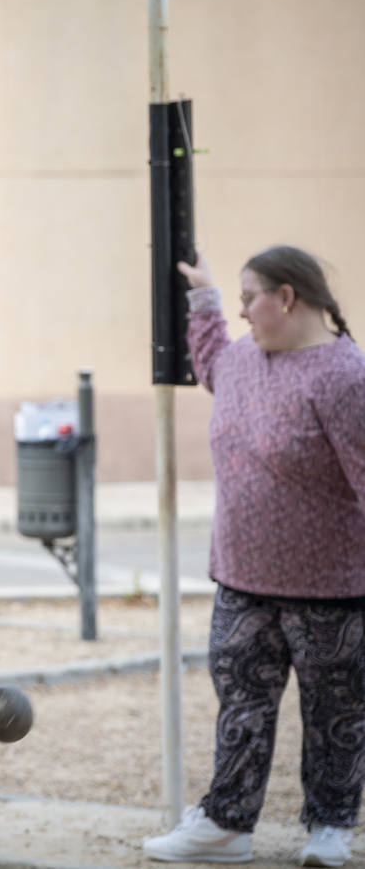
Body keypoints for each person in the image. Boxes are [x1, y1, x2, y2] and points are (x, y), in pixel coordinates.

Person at [142, 246, 365, 867]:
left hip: (331, 588)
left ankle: (330, 828)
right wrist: (204, 296)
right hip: (241, 579)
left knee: (336, 712)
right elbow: (211, 359)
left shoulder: (345, 377)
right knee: (241, 704)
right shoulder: (242, 361)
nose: (242, 313)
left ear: (286, 298)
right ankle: (225, 825)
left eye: (249, 299)